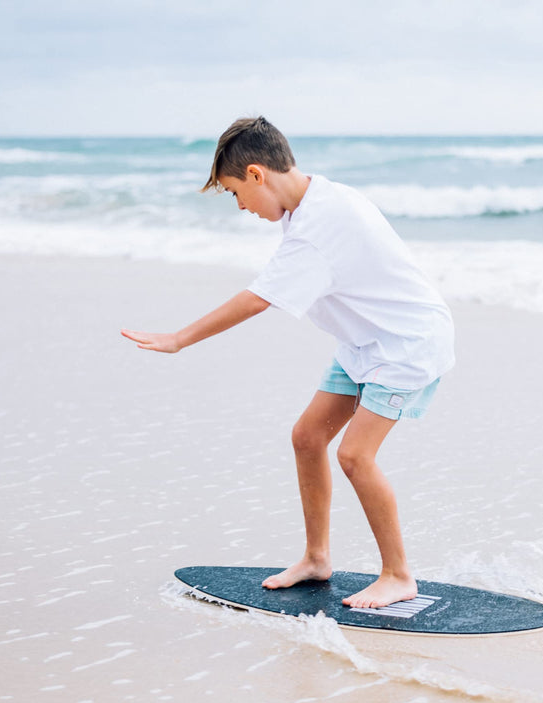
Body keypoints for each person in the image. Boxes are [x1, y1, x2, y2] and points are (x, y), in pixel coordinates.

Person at [122, 117, 454, 609]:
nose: (241, 207)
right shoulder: (314, 202)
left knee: (355, 456)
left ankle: (398, 575)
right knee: (308, 437)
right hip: (364, 343)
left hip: (406, 346)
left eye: (236, 193)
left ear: (256, 174)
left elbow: (258, 299)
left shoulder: (320, 226)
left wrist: (179, 339)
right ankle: (317, 558)